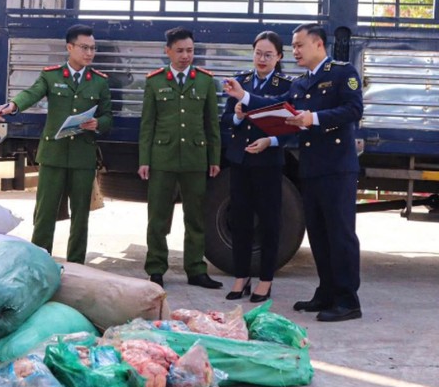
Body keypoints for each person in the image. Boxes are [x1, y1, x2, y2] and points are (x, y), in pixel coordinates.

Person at [223, 23, 363, 322]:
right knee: (319, 235)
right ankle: (326, 292)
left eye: (300, 45)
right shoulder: (301, 83)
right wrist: (244, 96)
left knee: (340, 235)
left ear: (318, 45)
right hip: (311, 169)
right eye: (294, 46)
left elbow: (354, 110)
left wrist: (314, 118)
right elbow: (276, 105)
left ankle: (347, 300)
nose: (295, 51)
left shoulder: (342, 73)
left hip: (337, 168)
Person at [0, 24, 113, 264]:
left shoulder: (99, 82)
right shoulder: (52, 75)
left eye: (93, 48)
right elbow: (32, 93)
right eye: (84, 47)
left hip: (82, 156)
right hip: (53, 155)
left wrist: (97, 123)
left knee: (81, 216)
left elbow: (108, 117)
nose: (89, 53)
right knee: (45, 212)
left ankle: (76, 264)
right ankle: (39, 260)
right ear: (69, 47)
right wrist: (13, 106)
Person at [138, 26, 222, 289]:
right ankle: (156, 269)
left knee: (195, 217)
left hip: (195, 158)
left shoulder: (205, 81)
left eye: (190, 50)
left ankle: (196, 270)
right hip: (162, 158)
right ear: (168, 51)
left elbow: (212, 124)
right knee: (158, 217)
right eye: (180, 51)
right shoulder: (155, 81)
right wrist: (144, 160)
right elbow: (147, 124)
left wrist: (214, 158)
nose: (186, 56)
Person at [221, 31, 293, 303]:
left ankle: (265, 280)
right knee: (240, 220)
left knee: (269, 222)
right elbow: (226, 119)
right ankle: (241, 276)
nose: (262, 59)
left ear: (279, 57)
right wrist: (238, 117)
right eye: (258, 53)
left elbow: (291, 125)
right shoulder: (240, 81)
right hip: (241, 161)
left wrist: (270, 141)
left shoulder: (286, 85)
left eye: (268, 55)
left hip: (268, 162)